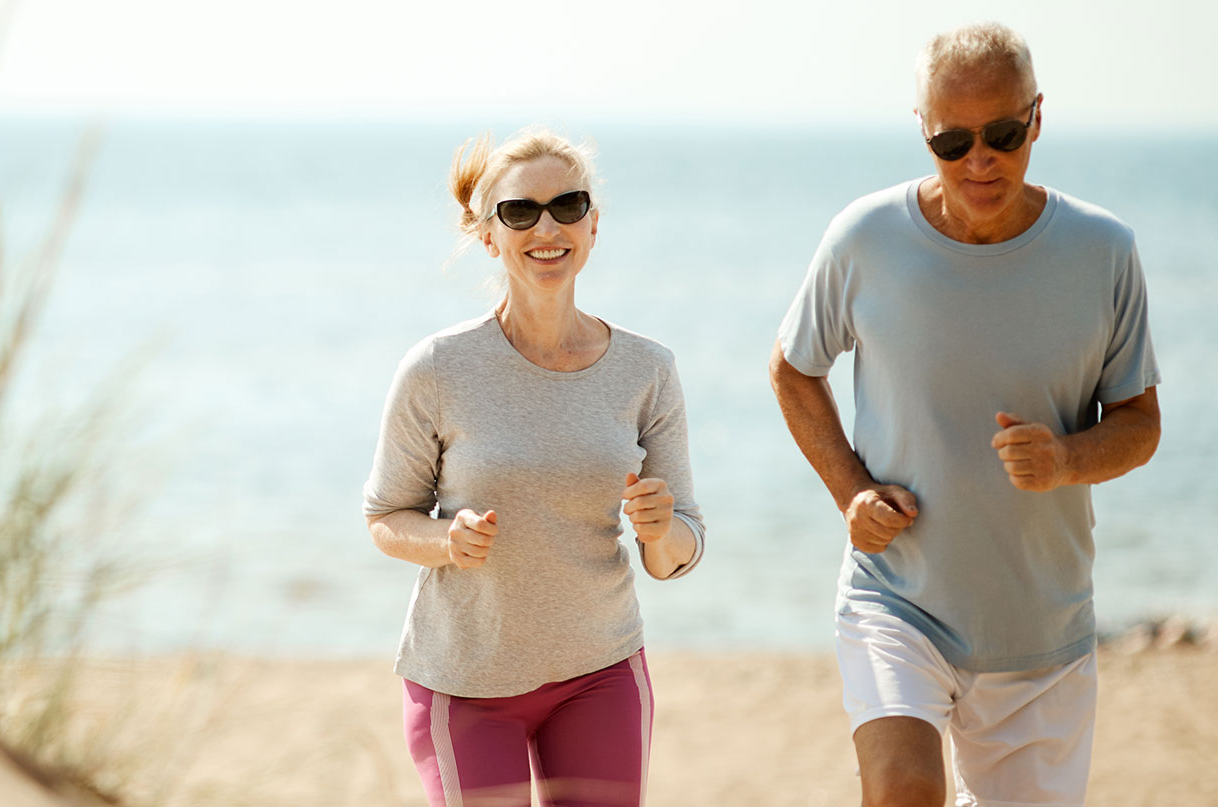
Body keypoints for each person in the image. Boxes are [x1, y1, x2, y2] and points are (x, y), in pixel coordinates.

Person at [769, 22, 1162, 807]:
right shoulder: (864, 238)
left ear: (1038, 117)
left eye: (1004, 134)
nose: (979, 160)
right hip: (896, 598)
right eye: (953, 141)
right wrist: (851, 491)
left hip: (1040, 629)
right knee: (903, 789)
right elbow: (793, 369)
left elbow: (1139, 421)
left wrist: (1066, 460)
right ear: (924, 131)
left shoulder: (1104, 251)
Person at [363, 127, 706, 807]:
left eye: (567, 205)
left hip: (599, 672)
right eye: (521, 211)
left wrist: (662, 529)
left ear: (593, 225)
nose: (546, 227)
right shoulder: (437, 368)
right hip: (464, 680)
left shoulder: (648, 370)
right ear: (490, 235)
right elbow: (384, 517)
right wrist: (446, 540)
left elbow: (677, 553)